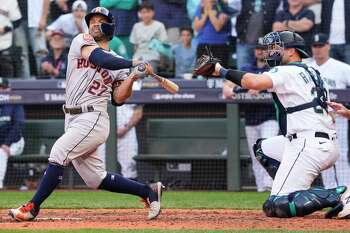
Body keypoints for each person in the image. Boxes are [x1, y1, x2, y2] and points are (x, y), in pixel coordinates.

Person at [9, 6, 163, 221]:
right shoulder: (82, 40)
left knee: (58, 153)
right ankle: (148, 191)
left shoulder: (118, 62)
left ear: (110, 26)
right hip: (72, 118)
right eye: (92, 20)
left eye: (100, 20)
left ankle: (32, 207)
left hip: (94, 117)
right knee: (94, 179)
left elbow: (118, 98)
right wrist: (134, 63)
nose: (94, 24)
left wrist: (131, 77)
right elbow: (101, 59)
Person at [207, 30, 350, 218]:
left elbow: (254, 82)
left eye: (276, 48)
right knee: (263, 148)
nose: (270, 52)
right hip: (310, 142)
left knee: (277, 206)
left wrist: (220, 70)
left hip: (308, 145)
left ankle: (338, 194)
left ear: (291, 51)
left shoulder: (287, 70)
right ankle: (296, 190)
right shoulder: (314, 71)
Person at [222, 39, 278, 192]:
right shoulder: (248, 68)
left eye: (263, 49)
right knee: (255, 156)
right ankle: (261, 188)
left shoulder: (272, 68)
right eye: (257, 49)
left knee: (267, 148)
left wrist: (258, 88)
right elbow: (230, 82)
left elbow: (269, 85)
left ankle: (271, 184)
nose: (260, 51)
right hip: (251, 118)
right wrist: (228, 87)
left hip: (270, 117)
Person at [307, 33, 350, 189]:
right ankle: (331, 192)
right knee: (322, 156)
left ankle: (347, 192)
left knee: (341, 155)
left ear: (328, 46)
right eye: (315, 46)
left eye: (321, 46)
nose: (317, 49)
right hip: (314, 120)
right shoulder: (306, 68)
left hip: (338, 119)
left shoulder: (342, 68)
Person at [235, 0, 280, 69]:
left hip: (265, 45)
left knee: (267, 72)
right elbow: (229, 10)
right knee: (241, 73)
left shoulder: (276, 1)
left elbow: (280, 17)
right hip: (244, 42)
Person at [0, 78, 25, 189]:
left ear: (9, 89)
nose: (1, 90)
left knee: (1, 152)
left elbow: (18, 126)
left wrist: (6, 144)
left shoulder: (15, 103)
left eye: (3, 88)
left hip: (15, 143)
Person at [129, 1, 168, 72]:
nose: (146, 15)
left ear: (153, 13)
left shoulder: (159, 26)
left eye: (148, 12)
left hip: (153, 57)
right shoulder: (136, 26)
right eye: (143, 12)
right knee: (133, 74)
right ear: (140, 14)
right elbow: (135, 46)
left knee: (148, 73)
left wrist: (162, 61)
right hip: (138, 57)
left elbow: (163, 45)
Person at [193, 0, 231, 68]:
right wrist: (205, 14)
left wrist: (209, 10)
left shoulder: (222, 7)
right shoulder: (200, 7)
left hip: (220, 45)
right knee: (203, 74)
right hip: (203, 45)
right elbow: (196, 28)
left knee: (219, 73)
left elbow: (218, 27)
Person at [117, 104, 143, 180]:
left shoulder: (134, 91)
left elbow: (138, 111)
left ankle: (129, 190)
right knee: (99, 170)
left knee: (129, 167)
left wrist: (125, 128)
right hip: (103, 133)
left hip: (127, 133)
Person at [320, 0, 350, 65]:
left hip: (347, 44)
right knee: (332, 72)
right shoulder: (326, 1)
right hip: (330, 44)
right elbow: (323, 20)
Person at [0, 0, 22, 78]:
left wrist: (5, 29)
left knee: (7, 77)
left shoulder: (10, 1)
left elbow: (17, 21)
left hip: (5, 44)